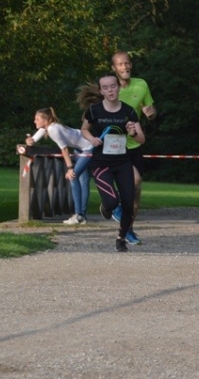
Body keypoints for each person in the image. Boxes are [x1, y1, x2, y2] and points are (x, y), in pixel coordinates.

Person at [81, 72, 145, 252]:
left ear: (118, 87)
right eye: (106, 87)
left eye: (113, 86)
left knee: (128, 204)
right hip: (101, 164)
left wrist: (133, 133)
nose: (110, 90)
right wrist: (92, 139)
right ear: (101, 91)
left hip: (123, 163)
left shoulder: (128, 111)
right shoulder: (94, 110)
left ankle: (121, 238)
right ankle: (106, 206)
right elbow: (84, 129)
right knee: (111, 202)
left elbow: (141, 139)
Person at [110, 51, 157, 245]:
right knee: (134, 180)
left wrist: (150, 113)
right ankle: (115, 206)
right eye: (120, 64)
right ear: (114, 68)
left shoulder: (141, 85)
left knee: (136, 191)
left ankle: (127, 229)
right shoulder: (109, 88)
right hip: (114, 143)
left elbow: (150, 111)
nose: (125, 67)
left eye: (127, 63)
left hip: (134, 143)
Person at [25, 108, 92, 225]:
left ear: (46, 120)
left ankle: (78, 215)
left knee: (73, 177)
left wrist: (70, 168)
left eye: (37, 119)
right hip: (81, 147)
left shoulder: (53, 129)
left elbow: (64, 149)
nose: (34, 121)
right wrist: (31, 140)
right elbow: (36, 136)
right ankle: (82, 216)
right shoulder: (50, 127)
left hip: (88, 147)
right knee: (82, 180)